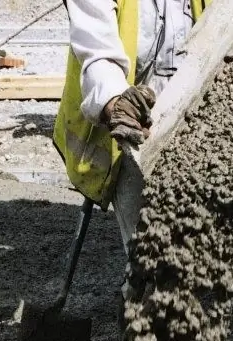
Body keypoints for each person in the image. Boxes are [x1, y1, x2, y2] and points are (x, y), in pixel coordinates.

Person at [53, 0, 210, 257]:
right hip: (131, 120)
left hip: (199, 108)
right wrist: (115, 102)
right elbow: (95, 43)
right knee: (152, 256)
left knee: (205, 246)